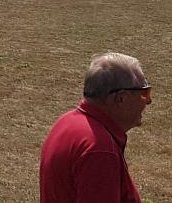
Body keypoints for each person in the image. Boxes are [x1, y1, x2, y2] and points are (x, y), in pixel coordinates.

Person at [39, 52, 152, 203]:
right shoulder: (100, 150)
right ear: (121, 98)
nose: (148, 101)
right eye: (144, 93)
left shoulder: (66, 122)